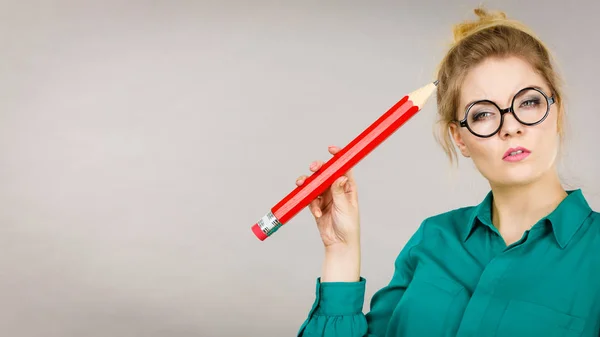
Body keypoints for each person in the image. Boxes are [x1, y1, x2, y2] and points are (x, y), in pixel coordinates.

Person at [293, 6, 600, 337]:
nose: (510, 127)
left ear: (557, 111)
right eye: (483, 114)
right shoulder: (433, 239)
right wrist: (341, 250)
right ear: (460, 138)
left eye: (528, 102)